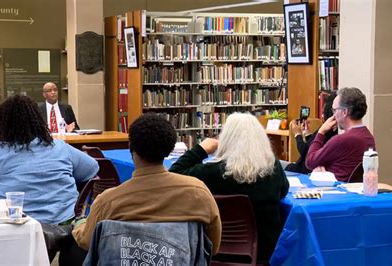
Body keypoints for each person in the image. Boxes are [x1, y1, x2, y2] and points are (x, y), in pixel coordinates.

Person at [71, 113, 221, 261]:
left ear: (130, 147)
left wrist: (79, 224)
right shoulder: (198, 192)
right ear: (170, 149)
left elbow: (86, 241)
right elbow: (212, 246)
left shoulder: (108, 201)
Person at [0, 95, 99, 224]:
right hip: (65, 221)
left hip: (18, 224)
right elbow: (92, 168)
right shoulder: (60, 147)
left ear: (2, 123)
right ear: (38, 120)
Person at [169, 112, 290, 263]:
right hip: (264, 254)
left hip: (216, 251)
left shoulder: (214, 172)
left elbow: (174, 174)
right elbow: (284, 190)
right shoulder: (274, 168)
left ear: (226, 139)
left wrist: (201, 149)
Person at [306, 87, 376, 181]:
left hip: (332, 191)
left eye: (335, 110)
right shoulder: (369, 137)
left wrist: (321, 132)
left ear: (344, 112)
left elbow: (310, 162)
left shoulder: (341, 140)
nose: (333, 115)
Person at [285, 92, 338, 174]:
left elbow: (305, 151)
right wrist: (307, 133)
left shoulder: (326, 129)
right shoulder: (334, 131)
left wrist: (297, 134)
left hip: (301, 169)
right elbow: (314, 145)